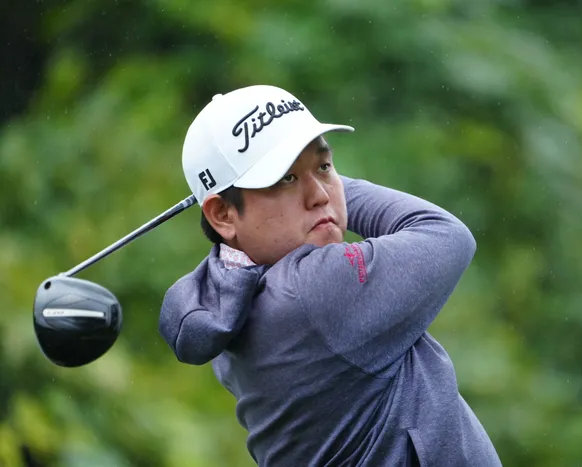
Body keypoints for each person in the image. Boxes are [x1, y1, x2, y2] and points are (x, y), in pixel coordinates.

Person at [158, 85, 502, 466]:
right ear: (222, 214)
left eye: (324, 166)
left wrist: (310, 184)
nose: (319, 194)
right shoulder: (314, 290)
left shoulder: (227, 301)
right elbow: (447, 235)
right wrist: (328, 193)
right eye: (285, 179)